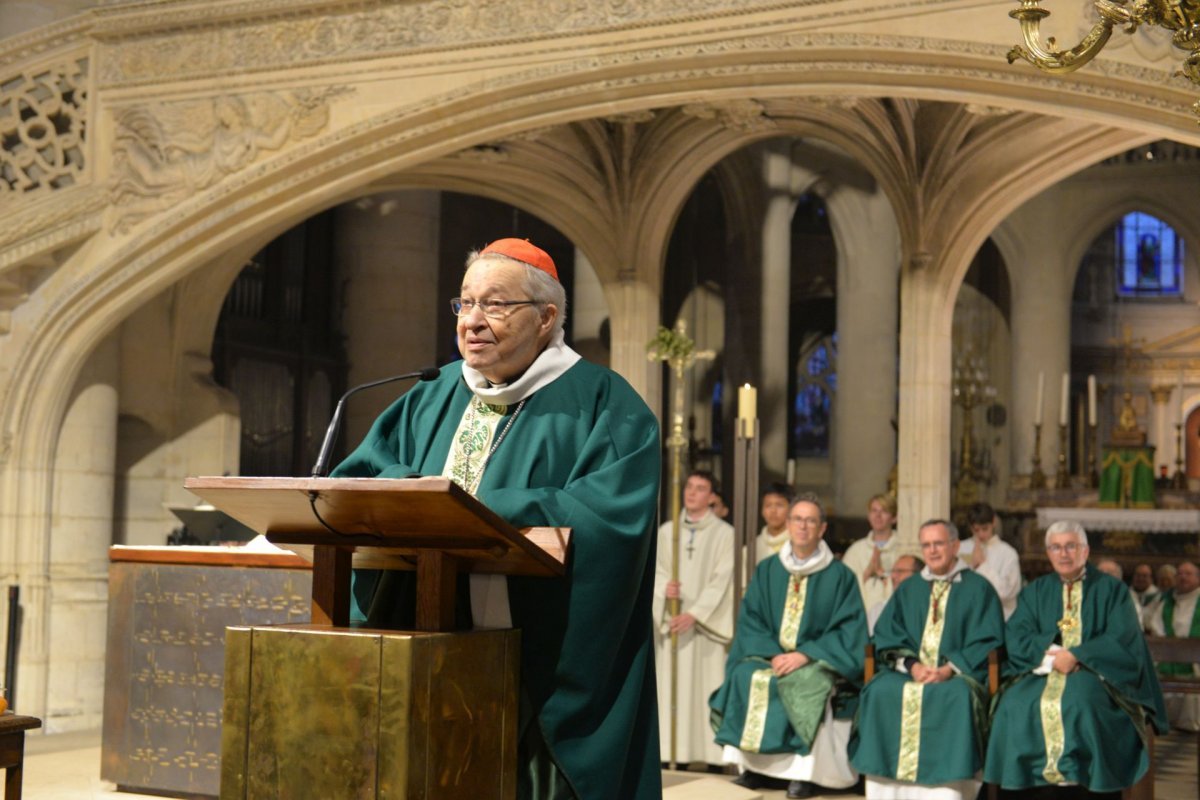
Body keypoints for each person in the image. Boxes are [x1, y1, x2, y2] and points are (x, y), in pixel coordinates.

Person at [331, 238, 662, 800]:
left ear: (546, 318)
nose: (473, 322)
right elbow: (360, 477)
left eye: (496, 305)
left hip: (531, 656)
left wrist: (485, 508)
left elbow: (611, 521)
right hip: (421, 647)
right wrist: (412, 496)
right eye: (465, 304)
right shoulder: (428, 396)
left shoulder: (606, 403)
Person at [984, 521, 1168, 798]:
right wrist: (1050, 657)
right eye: (1056, 547)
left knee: (1082, 704)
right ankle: (1023, 789)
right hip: (1041, 670)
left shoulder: (1112, 590)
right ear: (1048, 553)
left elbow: (1123, 637)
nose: (1064, 554)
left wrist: (1079, 655)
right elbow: (1017, 633)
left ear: (1085, 551)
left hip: (1095, 674)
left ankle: (1086, 788)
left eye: (1071, 546)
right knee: (1013, 705)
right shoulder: (1035, 591)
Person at [709, 493, 867, 799]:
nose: (803, 527)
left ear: (822, 529)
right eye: (797, 519)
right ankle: (755, 769)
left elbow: (850, 629)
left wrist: (805, 654)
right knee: (746, 676)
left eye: (810, 521)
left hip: (816, 661)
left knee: (807, 683)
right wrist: (773, 654)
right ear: (789, 525)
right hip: (771, 655)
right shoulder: (769, 569)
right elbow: (751, 617)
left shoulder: (840, 576)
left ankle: (802, 774)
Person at [849, 519, 1004, 800]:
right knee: (880, 691)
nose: (932, 551)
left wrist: (948, 669)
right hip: (910, 672)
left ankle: (948, 791)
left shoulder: (979, 588)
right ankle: (885, 790)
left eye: (939, 543)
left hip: (958, 675)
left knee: (956, 696)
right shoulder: (909, 589)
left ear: (955, 546)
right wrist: (913, 665)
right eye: (927, 545)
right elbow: (887, 633)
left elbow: (989, 639)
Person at [653, 470, 734, 769]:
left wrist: (695, 614)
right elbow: (657, 570)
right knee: (672, 689)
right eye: (689, 486)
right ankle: (672, 753)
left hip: (704, 630)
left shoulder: (726, 534)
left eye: (701, 488)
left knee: (706, 688)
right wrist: (664, 588)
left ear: (712, 496)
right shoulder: (666, 532)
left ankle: (712, 758)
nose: (692, 493)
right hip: (672, 623)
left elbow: (723, 580)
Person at [1146, 561, 1200, 732]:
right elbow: (1149, 620)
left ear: (1198, 578)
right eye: (1179, 574)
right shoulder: (1165, 599)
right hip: (1166, 656)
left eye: (1188, 574)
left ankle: (1188, 725)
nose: (1182, 577)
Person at [957, 502, 1021, 619]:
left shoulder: (1008, 553)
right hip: (966, 615)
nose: (981, 534)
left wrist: (982, 566)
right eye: (976, 530)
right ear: (970, 527)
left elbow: (1007, 592)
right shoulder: (961, 548)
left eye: (985, 529)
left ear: (994, 523)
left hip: (998, 617)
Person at [840, 494, 901, 612]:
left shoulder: (902, 549)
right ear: (868, 516)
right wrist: (866, 574)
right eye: (874, 511)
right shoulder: (855, 551)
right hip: (862, 614)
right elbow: (844, 587)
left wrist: (882, 574)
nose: (878, 516)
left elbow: (909, 587)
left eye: (884, 511)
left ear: (894, 518)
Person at [866, 555, 924, 635]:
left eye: (900, 571)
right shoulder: (878, 610)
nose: (893, 576)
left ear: (918, 575)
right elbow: (868, 644)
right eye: (892, 571)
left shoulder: (929, 608)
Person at [755, 482, 794, 563]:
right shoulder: (752, 548)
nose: (773, 511)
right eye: (768, 505)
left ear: (792, 509)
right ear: (762, 511)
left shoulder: (800, 544)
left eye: (779, 505)